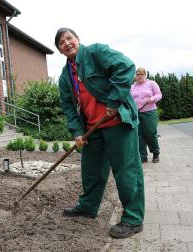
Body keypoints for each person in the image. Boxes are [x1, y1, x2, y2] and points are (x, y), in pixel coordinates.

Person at [55, 28, 144, 239]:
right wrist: (77, 131)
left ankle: (133, 218)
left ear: (78, 39)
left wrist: (113, 101)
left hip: (117, 122)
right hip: (91, 129)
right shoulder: (65, 76)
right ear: (59, 50)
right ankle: (87, 207)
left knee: (126, 171)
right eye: (61, 42)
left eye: (69, 38)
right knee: (91, 170)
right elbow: (68, 106)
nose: (67, 43)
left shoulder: (96, 52)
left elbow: (126, 67)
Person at [130, 67, 162, 163]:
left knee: (150, 133)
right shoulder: (132, 86)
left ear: (145, 75)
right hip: (136, 112)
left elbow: (159, 95)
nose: (139, 76)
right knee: (139, 135)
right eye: (137, 74)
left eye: (141, 74)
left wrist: (152, 99)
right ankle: (143, 156)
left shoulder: (151, 83)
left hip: (149, 112)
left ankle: (156, 153)